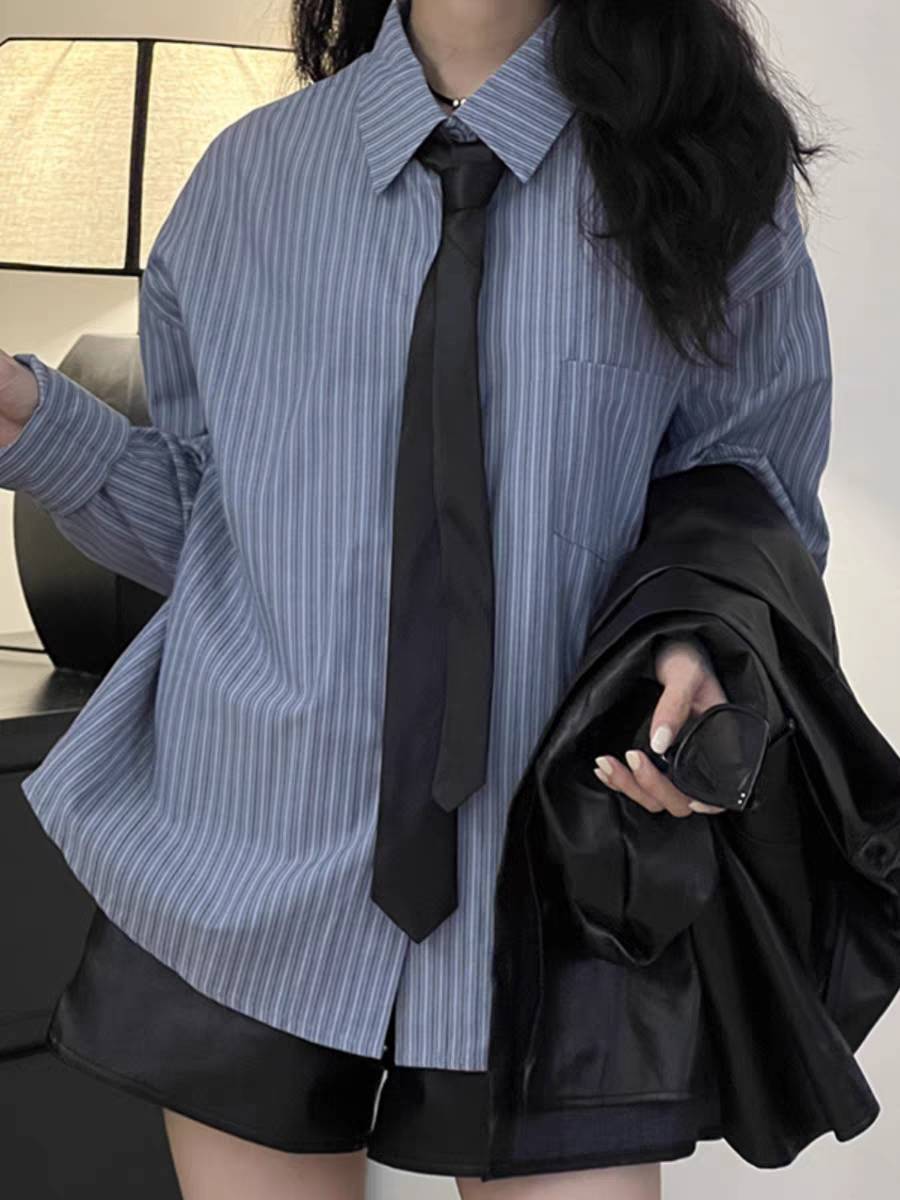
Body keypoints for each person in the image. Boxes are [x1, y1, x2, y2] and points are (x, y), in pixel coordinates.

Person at [0, 0, 834, 1196]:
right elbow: (217, 524)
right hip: (247, 847)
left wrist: (705, 645)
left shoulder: (707, 180)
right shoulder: (249, 180)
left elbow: (752, 493)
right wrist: (35, 425)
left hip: (555, 878)